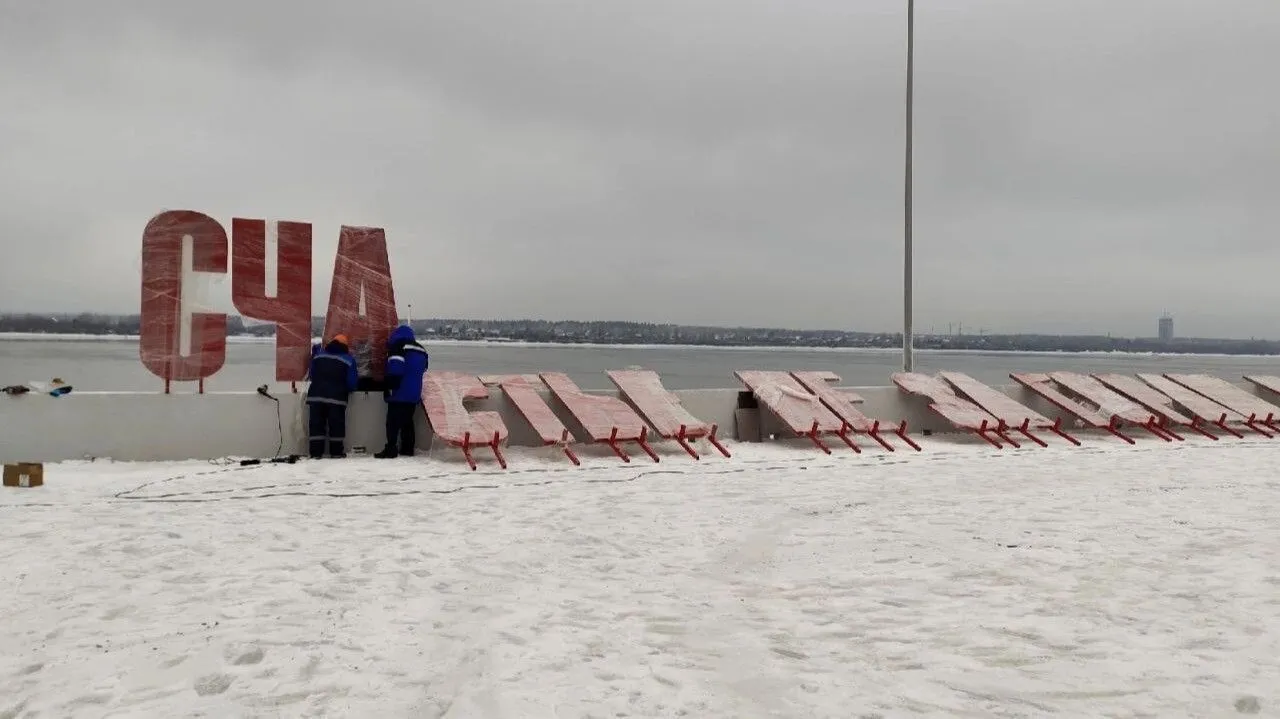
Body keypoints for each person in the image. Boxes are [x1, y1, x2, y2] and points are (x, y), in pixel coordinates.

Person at [375, 324, 429, 458]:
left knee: (392, 422)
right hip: (414, 393)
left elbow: (395, 368)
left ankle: (391, 449)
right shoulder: (421, 349)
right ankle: (408, 449)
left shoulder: (398, 346)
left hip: (399, 391)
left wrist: (389, 386)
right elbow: (424, 368)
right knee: (407, 422)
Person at [306, 333, 359, 459]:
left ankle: (316, 454)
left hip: (316, 397)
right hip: (337, 399)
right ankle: (336, 453)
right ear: (345, 347)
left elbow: (312, 375)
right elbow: (352, 383)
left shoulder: (319, 355)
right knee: (336, 426)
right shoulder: (349, 359)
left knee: (316, 426)